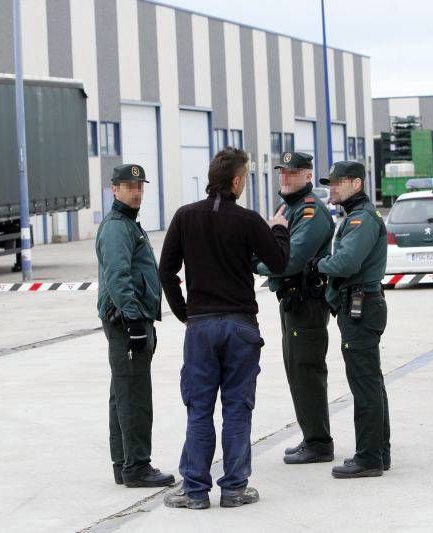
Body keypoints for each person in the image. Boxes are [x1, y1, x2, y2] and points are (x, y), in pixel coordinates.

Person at [159, 147, 290, 509]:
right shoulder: (248, 221)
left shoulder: (185, 217)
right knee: (236, 408)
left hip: (200, 327)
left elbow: (165, 271)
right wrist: (279, 229)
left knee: (199, 408)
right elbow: (278, 263)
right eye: (246, 177)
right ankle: (234, 488)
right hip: (240, 326)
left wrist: (184, 312)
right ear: (235, 181)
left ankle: (195, 490)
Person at [305, 160, 391, 478]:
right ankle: (379, 452)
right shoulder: (356, 216)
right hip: (360, 305)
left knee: (364, 383)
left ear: (356, 184)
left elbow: (346, 262)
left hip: (361, 307)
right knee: (371, 381)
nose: (332, 188)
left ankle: (368, 457)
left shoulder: (361, 219)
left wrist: (319, 265)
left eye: (338, 183)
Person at [95, 163, 175, 488]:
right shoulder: (117, 227)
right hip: (127, 323)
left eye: (140, 187)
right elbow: (118, 277)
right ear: (114, 189)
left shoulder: (128, 225)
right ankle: (138, 467)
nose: (136, 191)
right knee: (135, 395)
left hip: (132, 320)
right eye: (129, 186)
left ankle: (124, 463)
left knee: (123, 393)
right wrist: (133, 320)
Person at [254, 151, 336, 464]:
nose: (285, 177)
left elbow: (290, 259)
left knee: (307, 371)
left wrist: (258, 265)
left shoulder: (311, 211)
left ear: (307, 176)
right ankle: (311, 436)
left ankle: (319, 442)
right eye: (282, 172)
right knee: (296, 370)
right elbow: (269, 245)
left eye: (293, 172)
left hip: (307, 301)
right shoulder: (288, 208)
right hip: (291, 301)